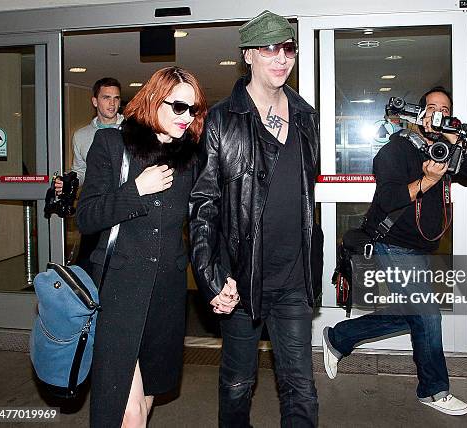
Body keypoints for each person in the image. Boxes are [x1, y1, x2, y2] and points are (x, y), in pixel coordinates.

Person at [189, 10, 320, 427]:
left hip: (294, 280)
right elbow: (203, 208)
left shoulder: (306, 116)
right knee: (237, 383)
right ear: (248, 55)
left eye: (287, 48)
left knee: (300, 385)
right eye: (269, 49)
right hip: (240, 280)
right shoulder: (222, 120)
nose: (281, 58)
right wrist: (211, 277)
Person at [322, 87, 467, 416]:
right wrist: (426, 180)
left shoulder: (445, 150)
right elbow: (389, 200)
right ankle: (434, 390)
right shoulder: (396, 149)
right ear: (419, 113)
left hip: (419, 246)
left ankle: (339, 338)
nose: (438, 114)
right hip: (393, 241)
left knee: (413, 315)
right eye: (432, 108)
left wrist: (455, 142)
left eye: (445, 110)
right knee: (427, 313)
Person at [76, 66, 206, 428]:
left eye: (193, 109)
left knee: (144, 402)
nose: (187, 117)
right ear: (152, 99)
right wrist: (135, 190)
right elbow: (86, 217)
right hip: (118, 292)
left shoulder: (191, 159)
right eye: (178, 107)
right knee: (127, 411)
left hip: (166, 293)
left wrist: (218, 278)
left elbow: (201, 225)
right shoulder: (112, 145)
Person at [56, 77, 123, 269]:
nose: (112, 103)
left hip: (124, 206)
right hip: (96, 208)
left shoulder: (132, 131)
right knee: (89, 266)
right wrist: (68, 183)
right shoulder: (81, 136)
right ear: (95, 101)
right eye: (106, 97)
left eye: (116, 98)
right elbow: (80, 171)